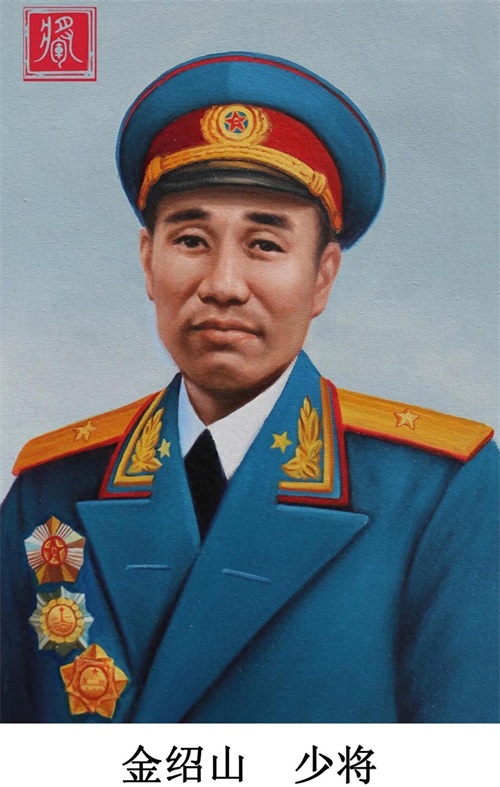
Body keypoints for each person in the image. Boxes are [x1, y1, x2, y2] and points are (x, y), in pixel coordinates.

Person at [1, 52, 498, 724]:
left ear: (322, 276)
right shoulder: (51, 490)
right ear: (148, 262)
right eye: (191, 240)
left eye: (264, 244)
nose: (223, 284)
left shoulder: (440, 493)